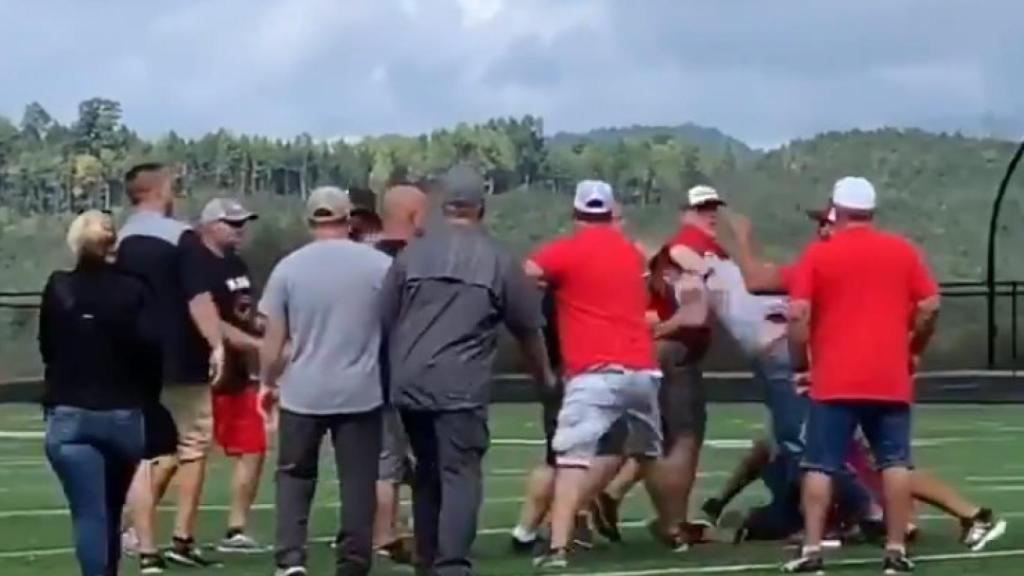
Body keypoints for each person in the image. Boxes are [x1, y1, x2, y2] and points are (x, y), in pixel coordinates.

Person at [380, 164, 554, 576]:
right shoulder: (498, 259)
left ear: (444, 206)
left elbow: (384, 317)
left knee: (426, 471)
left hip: (409, 383)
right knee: (460, 474)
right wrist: (544, 377)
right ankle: (452, 564)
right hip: (460, 385)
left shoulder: (414, 253)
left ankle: (426, 557)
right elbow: (529, 329)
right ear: (482, 207)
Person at [783, 177, 941, 574]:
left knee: (819, 465)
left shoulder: (818, 255)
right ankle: (895, 548)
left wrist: (800, 362)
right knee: (895, 462)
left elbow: (798, 315)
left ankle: (813, 549)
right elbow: (930, 305)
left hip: (835, 378)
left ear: (836, 210)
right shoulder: (902, 251)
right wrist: (913, 348)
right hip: (889, 375)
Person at [527, 180, 683, 569]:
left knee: (572, 459)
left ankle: (558, 547)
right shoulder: (631, 254)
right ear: (612, 212)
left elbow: (526, 274)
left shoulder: (564, 251)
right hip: (643, 368)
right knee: (649, 452)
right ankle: (673, 530)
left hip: (593, 371)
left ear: (576, 213)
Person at [259, 186, 391, 576]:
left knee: (294, 478)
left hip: (303, 391)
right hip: (361, 390)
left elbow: (274, 339)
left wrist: (267, 381)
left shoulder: (288, 268)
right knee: (358, 481)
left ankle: (291, 558)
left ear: (310, 220)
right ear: (349, 218)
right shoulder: (378, 266)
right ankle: (353, 561)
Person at [115, 163, 226, 572]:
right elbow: (199, 299)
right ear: (160, 190)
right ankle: (182, 537)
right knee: (192, 446)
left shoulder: (118, 240)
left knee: (144, 453)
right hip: (181, 357)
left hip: (132, 359)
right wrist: (217, 345)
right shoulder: (181, 238)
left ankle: (145, 548)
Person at [40, 210, 156, 576]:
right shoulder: (135, 290)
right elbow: (150, 349)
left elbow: (49, 347)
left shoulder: (59, 286)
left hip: (71, 410)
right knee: (109, 509)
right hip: (123, 412)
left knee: (89, 513)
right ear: (113, 243)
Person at [189, 198, 269, 553]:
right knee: (185, 455)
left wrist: (271, 331)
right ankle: (136, 526)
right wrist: (257, 345)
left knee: (253, 447)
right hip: (204, 370)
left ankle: (236, 529)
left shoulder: (237, 263)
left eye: (242, 223)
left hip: (237, 374)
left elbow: (245, 313)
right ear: (209, 225)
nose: (239, 229)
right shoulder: (196, 265)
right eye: (231, 223)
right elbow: (213, 321)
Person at [371, 184, 429, 564]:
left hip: (375, 371)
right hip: (419, 373)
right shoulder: (425, 259)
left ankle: (384, 534)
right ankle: (423, 533)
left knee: (386, 463)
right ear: (414, 214)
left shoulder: (364, 259)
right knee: (427, 458)